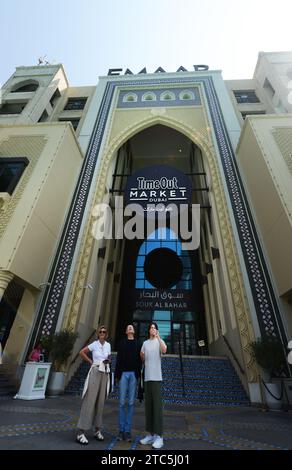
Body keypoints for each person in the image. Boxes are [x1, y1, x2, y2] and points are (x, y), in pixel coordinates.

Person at [76, 325, 111, 445]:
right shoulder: (94, 344)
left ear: (106, 334)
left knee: (100, 402)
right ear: (98, 334)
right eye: (100, 331)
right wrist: (91, 361)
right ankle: (81, 432)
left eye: (104, 332)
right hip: (95, 371)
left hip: (105, 372)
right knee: (89, 400)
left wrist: (108, 360)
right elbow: (82, 352)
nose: (102, 333)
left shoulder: (108, 345)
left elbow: (109, 356)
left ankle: (97, 430)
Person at [139, 322, 167, 449]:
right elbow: (142, 357)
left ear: (157, 330)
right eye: (151, 327)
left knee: (157, 407)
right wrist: (142, 356)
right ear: (148, 330)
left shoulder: (159, 341)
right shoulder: (145, 343)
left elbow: (164, 350)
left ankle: (159, 437)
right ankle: (150, 435)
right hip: (147, 378)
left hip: (156, 378)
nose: (152, 329)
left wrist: (159, 337)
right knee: (149, 407)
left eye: (154, 328)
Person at [114, 324, 142, 442]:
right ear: (126, 331)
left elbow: (140, 359)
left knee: (130, 403)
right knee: (121, 403)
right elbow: (119, 359)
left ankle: (127, 431)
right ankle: (121, 430)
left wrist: (138, 374)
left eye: (132, 327)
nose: (130, 328)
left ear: (134, 331)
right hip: (123, 374)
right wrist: (117, 375)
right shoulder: (122, 343)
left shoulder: (138, 343)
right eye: (128, 327)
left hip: (133, 375)